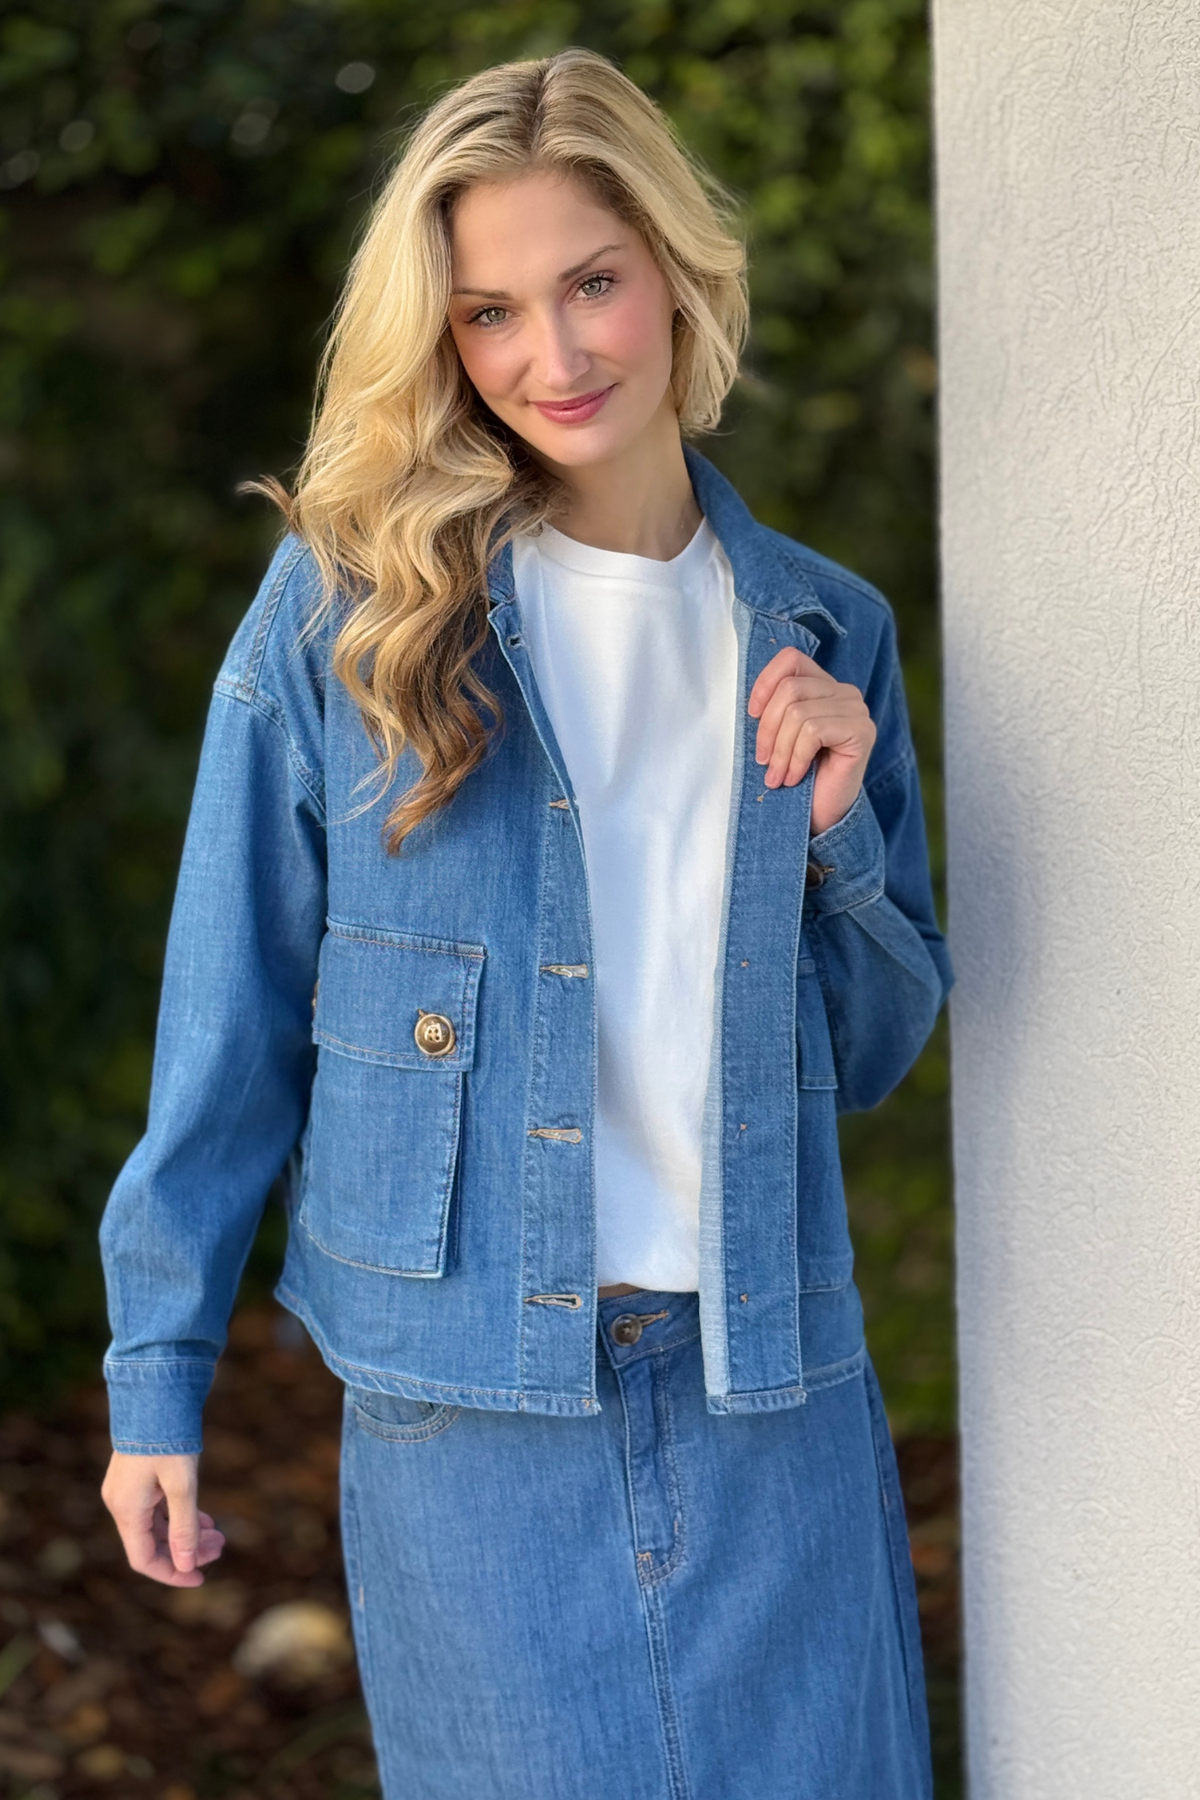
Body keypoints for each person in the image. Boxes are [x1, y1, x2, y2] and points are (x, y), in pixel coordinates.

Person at [98, 47, 952, 1800]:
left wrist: (840, 828)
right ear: (442, 341)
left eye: (592, 284)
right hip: (467, 1414)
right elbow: (229, 1014)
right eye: (489, 314)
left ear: (677, 275)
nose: (553, 358)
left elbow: (872, 1049)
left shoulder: (823, 628)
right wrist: (157, 1368)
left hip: (766, 1394)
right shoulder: (353, 616)